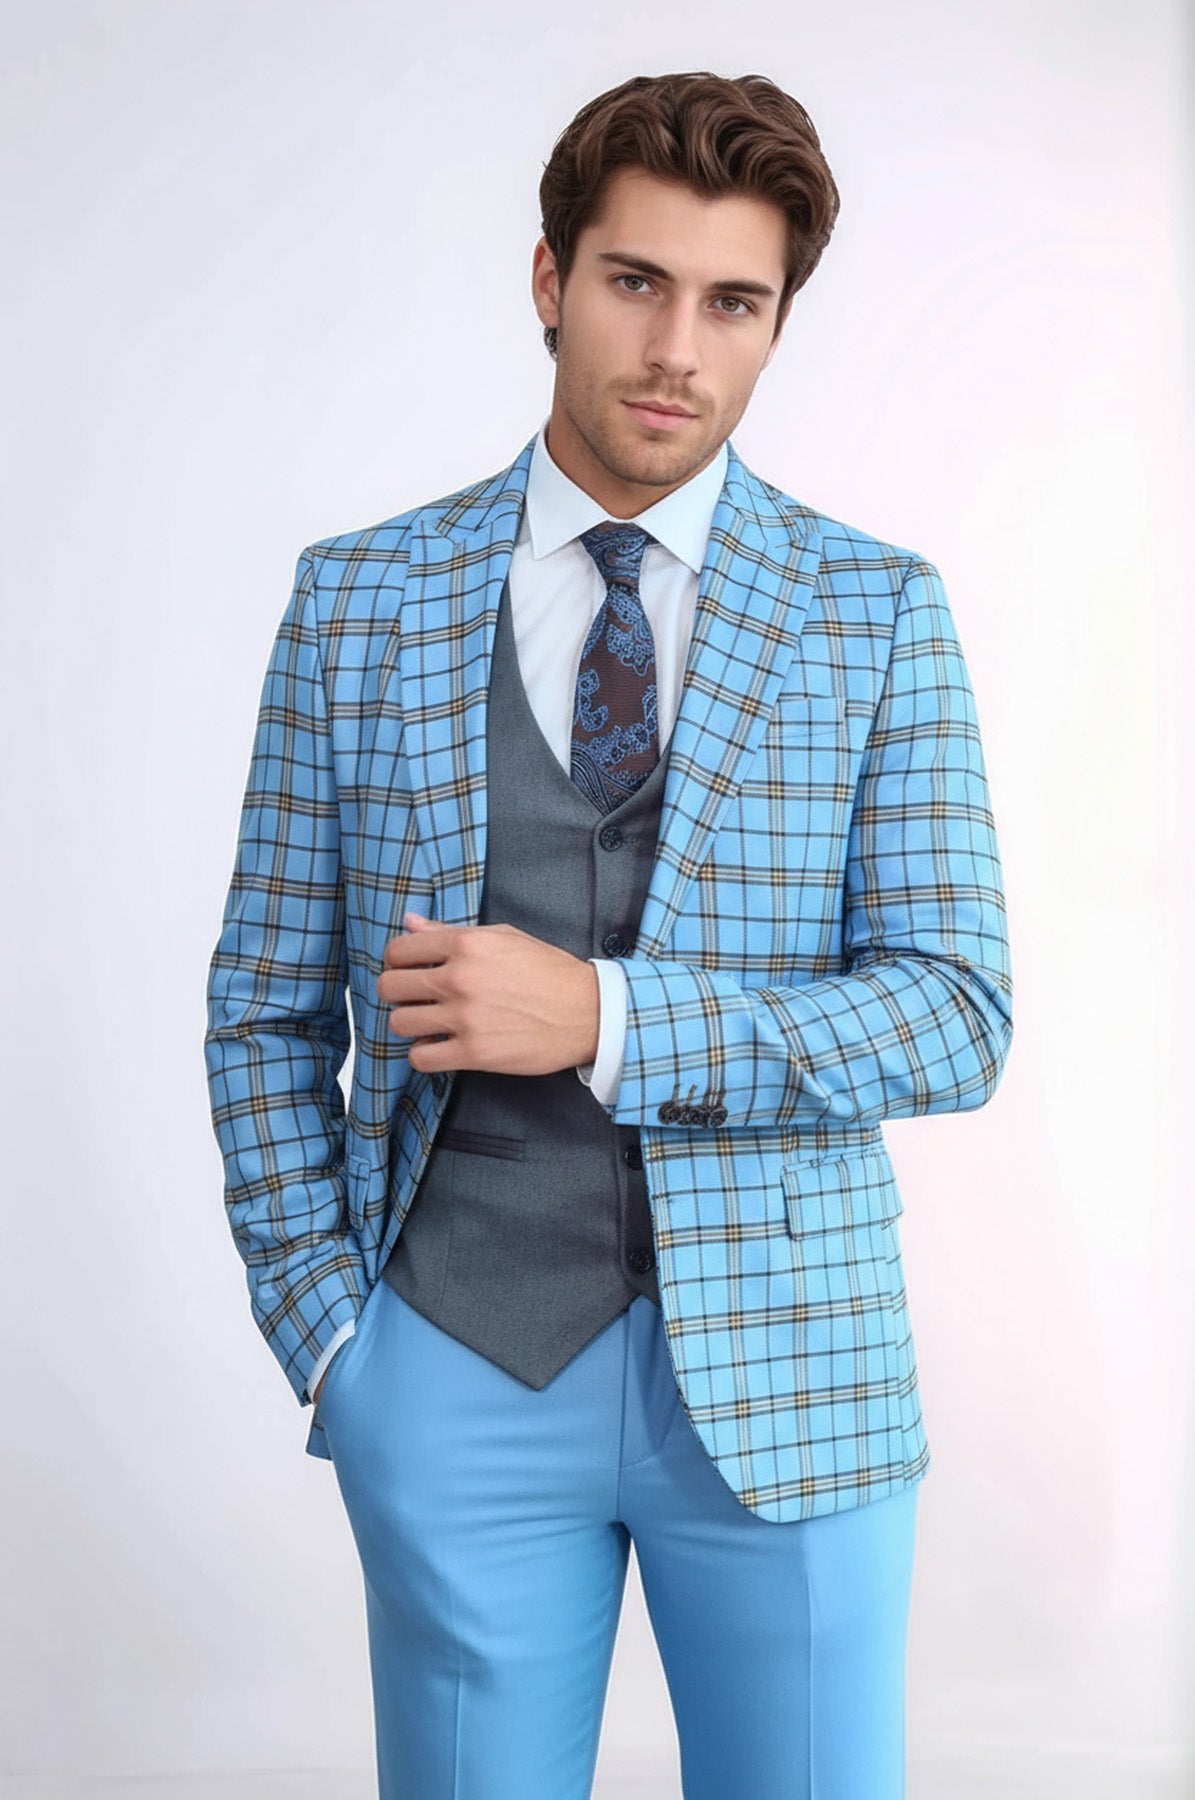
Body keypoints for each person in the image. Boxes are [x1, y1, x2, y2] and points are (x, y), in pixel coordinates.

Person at [204, 68, 1013, 1800]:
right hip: (453, 1365)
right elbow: (264, 1008)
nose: (675, 350)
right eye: (637, 281)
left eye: (734, 303)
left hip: (796, 1379)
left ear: (778, 323)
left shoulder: (877, 612)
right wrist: (336, 1341)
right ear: (550, 278)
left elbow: (958, 1012)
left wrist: (610, 1017)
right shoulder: (360, 599)